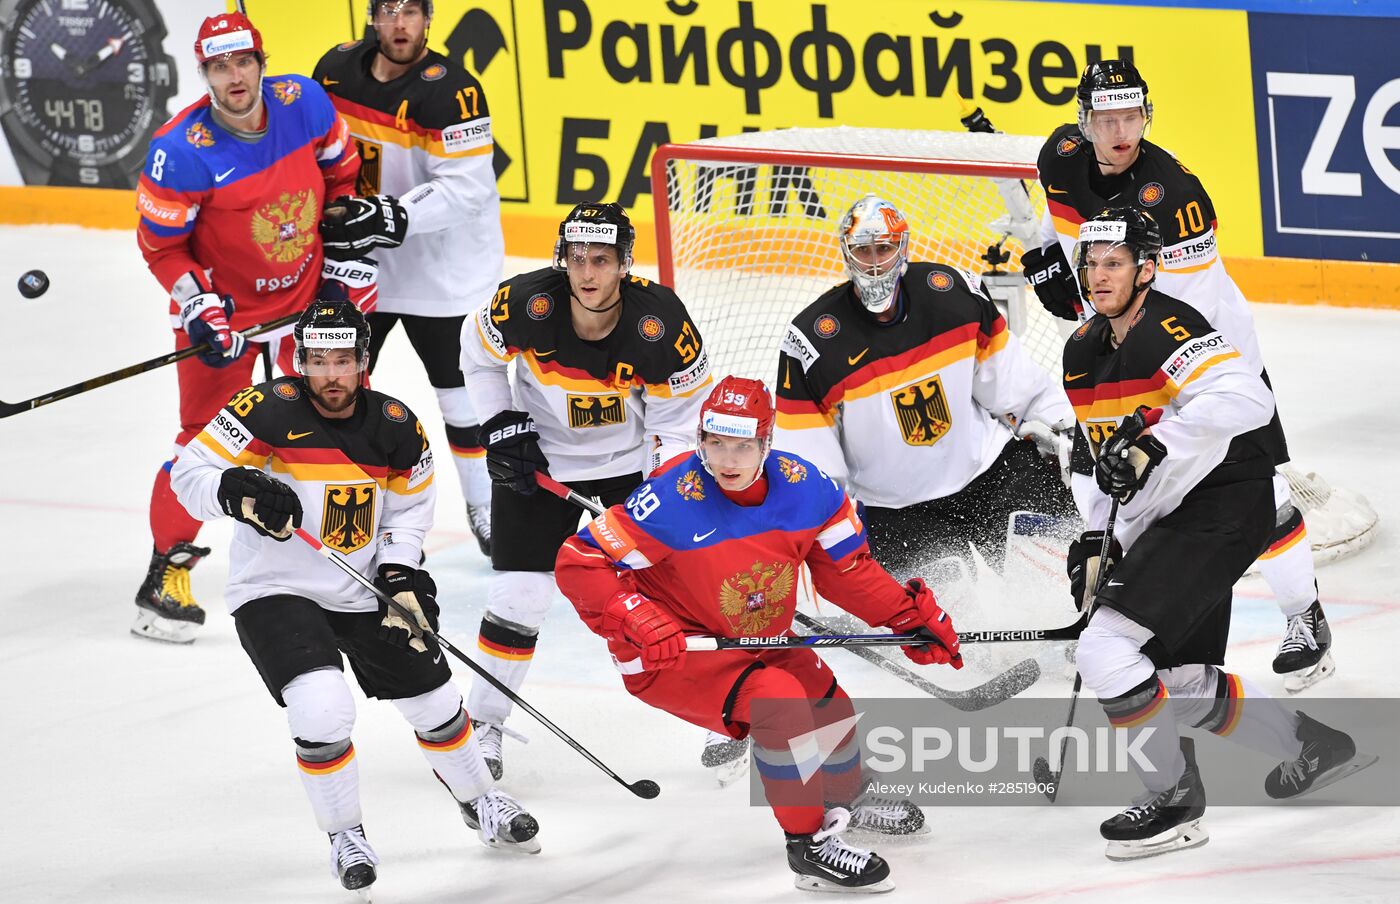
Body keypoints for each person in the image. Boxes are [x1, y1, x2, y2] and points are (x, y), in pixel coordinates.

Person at [169, 292, 541, 896]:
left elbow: (408, 514)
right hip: (275, 588)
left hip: (362, 587)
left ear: (363, 360)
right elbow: (188, 476)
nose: (332, 375)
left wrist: (399, 574)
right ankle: (345, 833)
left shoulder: (395, 426)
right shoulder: (262, 409)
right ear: (300, 359)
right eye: (319, 360)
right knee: (321, 708)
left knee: (437, 703)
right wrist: (239, 492)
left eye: (343, 361)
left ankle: (481, 801)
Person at [555, 376, 963, 892]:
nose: (728, 459)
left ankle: (847, 796)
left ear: (766, 443)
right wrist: (634, 614)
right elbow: (580, 561)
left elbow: (846, 571)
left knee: (827, 703)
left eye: (743, 446)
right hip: (672, 650)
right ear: (700, 439)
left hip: (752, 637)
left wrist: (905, 618)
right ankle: (810, 848)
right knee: (781, 703)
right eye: (715, 443)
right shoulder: (669, 500)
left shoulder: (808, 490)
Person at [1060, 208, 1368, 861]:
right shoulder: (1082, 350)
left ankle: (1175, 804)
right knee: (1174, 678)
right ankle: (1313, 746)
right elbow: (1096, 463)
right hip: (1180, 515)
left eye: (1113, 262)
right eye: (1091, 263)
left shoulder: (1170, 325)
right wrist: (1098, 540)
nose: (1098, 275)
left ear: (1146, 268)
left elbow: (1248, 400)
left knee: (1106, 653)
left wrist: (1154, 442)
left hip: (1224, 500)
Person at [1025, 59, 1334, 690]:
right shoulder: (1059, 156)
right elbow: (1073, 234)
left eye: (1132, 116)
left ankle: (1307, 616)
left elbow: (1167, 313)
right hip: (1118, 339)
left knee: (1252, 489)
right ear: (1083, 122)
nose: (1121, 131)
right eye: (1106, 117)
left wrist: (1086, 306)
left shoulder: (1174, 196)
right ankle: (1124, 625)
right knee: (1120, 479)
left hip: (1206, 354)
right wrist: (1052, 262)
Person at [132, 11, 369, 644]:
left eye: (243, 62)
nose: (233, 77)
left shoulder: (306, 103)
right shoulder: (179, 151)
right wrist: (197, 305)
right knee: (203, 449)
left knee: (329, 422)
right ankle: (166, 574)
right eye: (218, 66)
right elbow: (162, 249)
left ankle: (326, 552)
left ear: (261, 62)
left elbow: (343, 176)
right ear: (204, 72)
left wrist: (340, 254)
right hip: (224, 318)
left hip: (304, 306)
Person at [459, 201, 714, 778]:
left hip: (628, 467)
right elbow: (474, 354)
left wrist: (659, 491)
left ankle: (720, 713)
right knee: (519, 598)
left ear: (624, 264)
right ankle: (485, 723)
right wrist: (500, 422)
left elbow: (676, 422)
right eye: (577, 259)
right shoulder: (526, 302)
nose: (588, 274)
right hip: (539, 467)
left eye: (601, 260)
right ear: (563, 260)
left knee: (679, 592)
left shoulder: (662, 326)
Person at [774, 194, 1078, 585]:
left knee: (1056, 573)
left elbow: (1017, 389)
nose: (874, 262)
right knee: (952, 614)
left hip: (989, 473)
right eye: (862, 251)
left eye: (883, 248)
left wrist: (1063, 426)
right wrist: (821, 529)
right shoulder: (812, 342)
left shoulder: (952, 294)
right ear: (847, 254)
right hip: (896, 510)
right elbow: (811, 461)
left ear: (903, 248)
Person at [314, 0, 499, 556]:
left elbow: (467, 190)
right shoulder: (334, 70)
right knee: (338, 393)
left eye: (412, 11)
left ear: (428, 18)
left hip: (443, 274)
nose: (400, 24)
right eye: (388, 10)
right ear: (371, 16)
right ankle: (346, 509)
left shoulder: (453, 91)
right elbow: (313, 153)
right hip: (360, 268)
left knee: (460, 400)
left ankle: (486, 505)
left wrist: (389, 214)